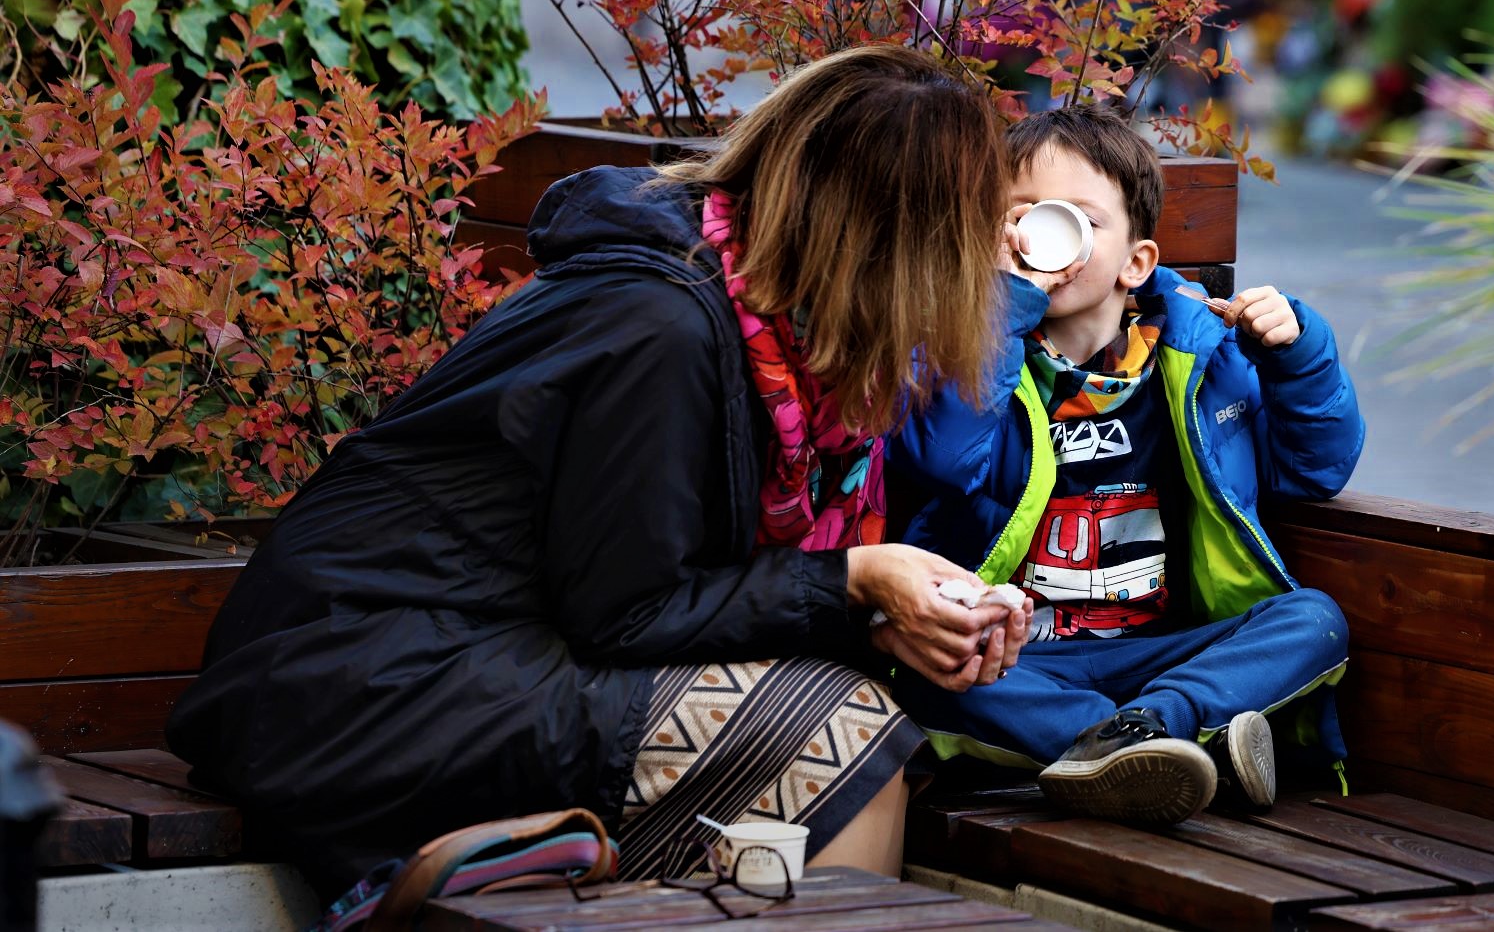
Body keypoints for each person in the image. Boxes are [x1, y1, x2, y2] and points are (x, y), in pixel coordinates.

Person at [166, 48, 1036, 900]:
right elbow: (628, 611)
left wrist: (873, 614)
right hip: (355, 685)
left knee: (845, 724)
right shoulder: (657, 326)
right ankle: (481, 866)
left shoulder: (769, 341)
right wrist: (849, 578)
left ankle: (542, 860)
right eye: (976, 234)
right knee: (840, 737)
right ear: (904, 240)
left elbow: (668, 584)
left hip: (480, 650)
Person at [888, 106, 1365, 824]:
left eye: (1076, 218)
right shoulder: (970, 358)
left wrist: (1301, 355)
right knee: (926, 673)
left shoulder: (1198, 360)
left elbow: (1317, 469)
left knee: (1314, 619)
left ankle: (1145, 730)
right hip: (1016, 664)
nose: (1046, 235)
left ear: (1137, 261)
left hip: (1161, 655)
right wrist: (1004, 306)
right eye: (1025, 216)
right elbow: (948, 461)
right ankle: (1155, 748)